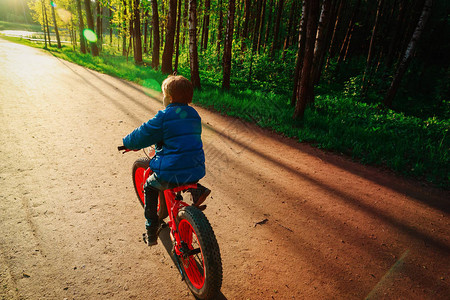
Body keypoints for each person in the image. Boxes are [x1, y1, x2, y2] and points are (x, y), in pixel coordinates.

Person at [122, 75, 210, 246]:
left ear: (169, 98)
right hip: (196, 168)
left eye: (163, 95)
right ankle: (198, 190)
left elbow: (143, 133)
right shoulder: (194, 114)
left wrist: (127, 142)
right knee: (183, 164)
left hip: (171, 172)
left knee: (149, 185)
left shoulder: (164, 116)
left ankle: (151, 229)